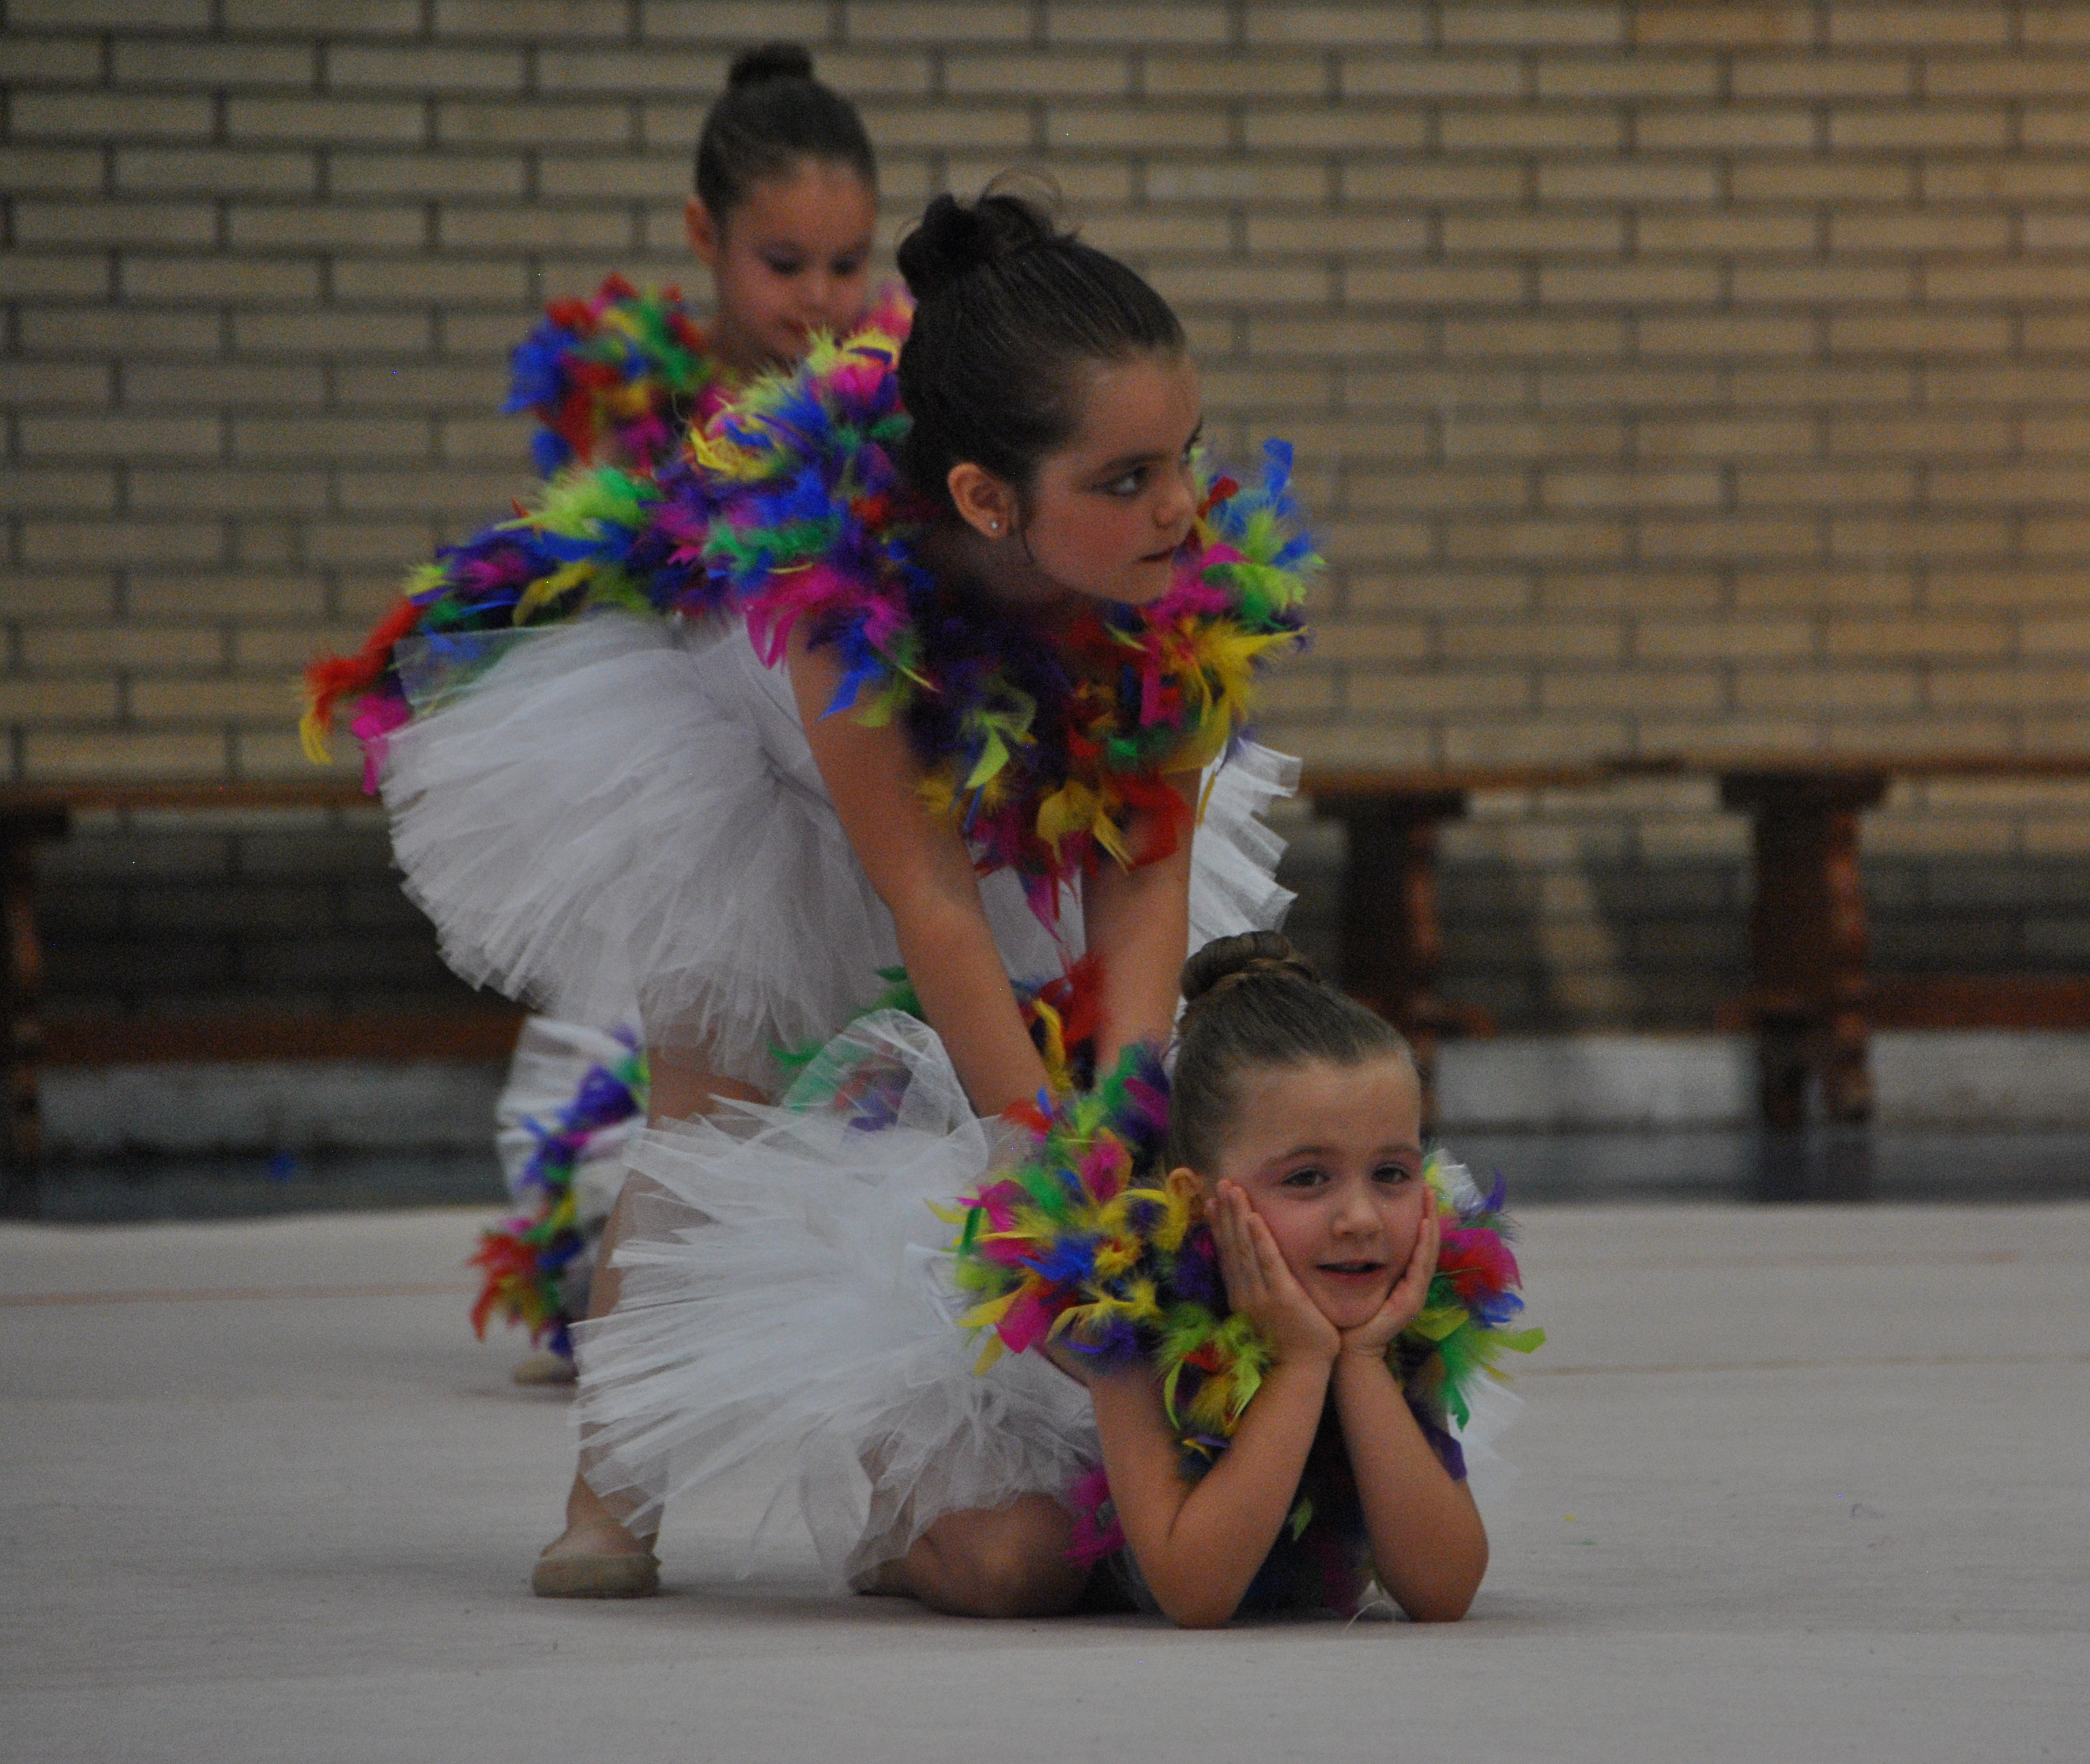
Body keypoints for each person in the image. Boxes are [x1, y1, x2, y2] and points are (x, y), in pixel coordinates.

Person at [301, 184, 1312, 1597]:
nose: (1181, 507)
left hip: (1005, 782)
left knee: (1077, 1089)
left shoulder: (1182, 603)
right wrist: (1036, 1138)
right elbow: (933, 906)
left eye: (1185, 457)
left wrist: (1118, 1134)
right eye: (1127, 478)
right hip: (760, 772)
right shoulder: (843, 613)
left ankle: (974, 1478)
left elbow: (1138, 883)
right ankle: (614, 1494)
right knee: (707, 1113)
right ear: (984, 497)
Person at [572, 932, 1541, 1625]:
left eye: (1392, 1172)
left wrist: (1365, 1359)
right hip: (1042, 1427)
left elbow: (1444, 1588)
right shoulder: (1125, 1289)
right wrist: (1298, 1366)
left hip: (1202, 1500)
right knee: (1018, 1569)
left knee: (1307, 1565)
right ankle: (902, 1532)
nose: (1362, 1217)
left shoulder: (1401, 1286)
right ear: (1201, 1200)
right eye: (1307, 1179)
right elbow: (1192, 1592)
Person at [463, 42, 884, 1387]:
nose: (818, 299)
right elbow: (588, 569)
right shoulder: (636, 404)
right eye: (783, 263)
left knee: (825, 1043)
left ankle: (789, 1269)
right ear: (706, 236)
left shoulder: (873, 398)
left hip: (824, 775)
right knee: (647, 1061)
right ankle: (629, 1271)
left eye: (846, 263)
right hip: (672, 779)